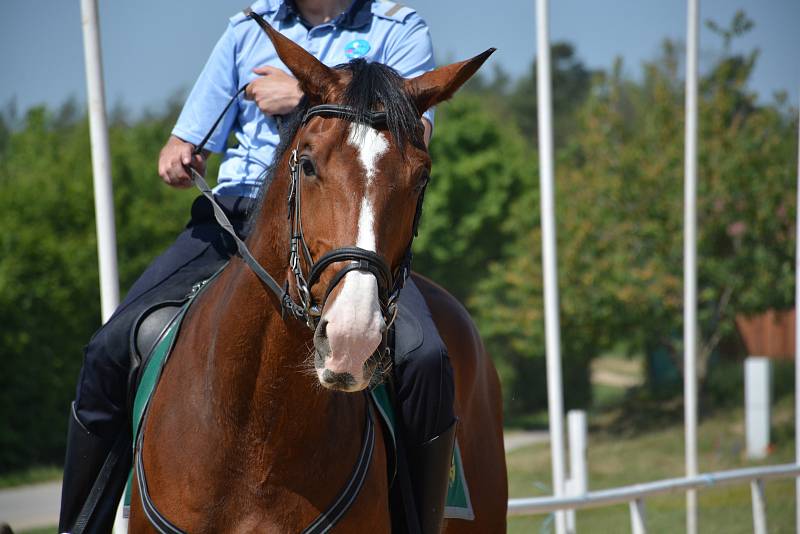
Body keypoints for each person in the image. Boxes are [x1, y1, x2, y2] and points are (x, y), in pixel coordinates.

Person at [59, 1, 455, 533]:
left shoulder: (398, 29)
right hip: (232, 218)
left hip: (350, 228)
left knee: (425, 356)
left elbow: (416, 134)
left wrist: (302, 99)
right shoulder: (247, 29)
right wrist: (180, 155)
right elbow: (186, 139)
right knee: (111, 346)